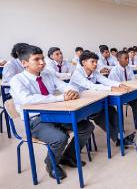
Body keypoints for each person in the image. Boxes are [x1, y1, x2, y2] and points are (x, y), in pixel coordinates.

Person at [10, 45, 94, 180]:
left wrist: (73, 91)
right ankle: (51, 164)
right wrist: (60, 97)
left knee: (86, 126)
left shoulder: (47, 74)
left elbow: (66, 86)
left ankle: (68, 156)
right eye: (36, 59)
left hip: (55, 114)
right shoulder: (17, 80)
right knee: (60, 138)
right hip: (35, 120)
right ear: (24, 63)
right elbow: (27, 99)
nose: (42, 62)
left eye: (42, 58)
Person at [69, 51, 135, 147]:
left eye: (96, 62)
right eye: (93, 62)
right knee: (102, 116)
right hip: (78, 105)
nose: (95, 64)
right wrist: (112, 88)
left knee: (112, 111)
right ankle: (119, 140)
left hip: (92, 101)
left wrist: (119, 84)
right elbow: (91, 86)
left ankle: (121, 137)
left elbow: (105, 80)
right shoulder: (77, 74)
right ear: (83, 62)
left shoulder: (94, 72)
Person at [108, 51, 137, 128]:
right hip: (118, 94)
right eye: (125, 58)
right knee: (119, 108)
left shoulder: (129, 68)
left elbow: (133, 81)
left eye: (128, 58)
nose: (128, 60)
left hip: (128, 92)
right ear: (119, 59)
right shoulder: (114, 71)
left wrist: (130, 86)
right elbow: (117, 86)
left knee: (136, 101)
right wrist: (128, 86)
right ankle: (121, 130)